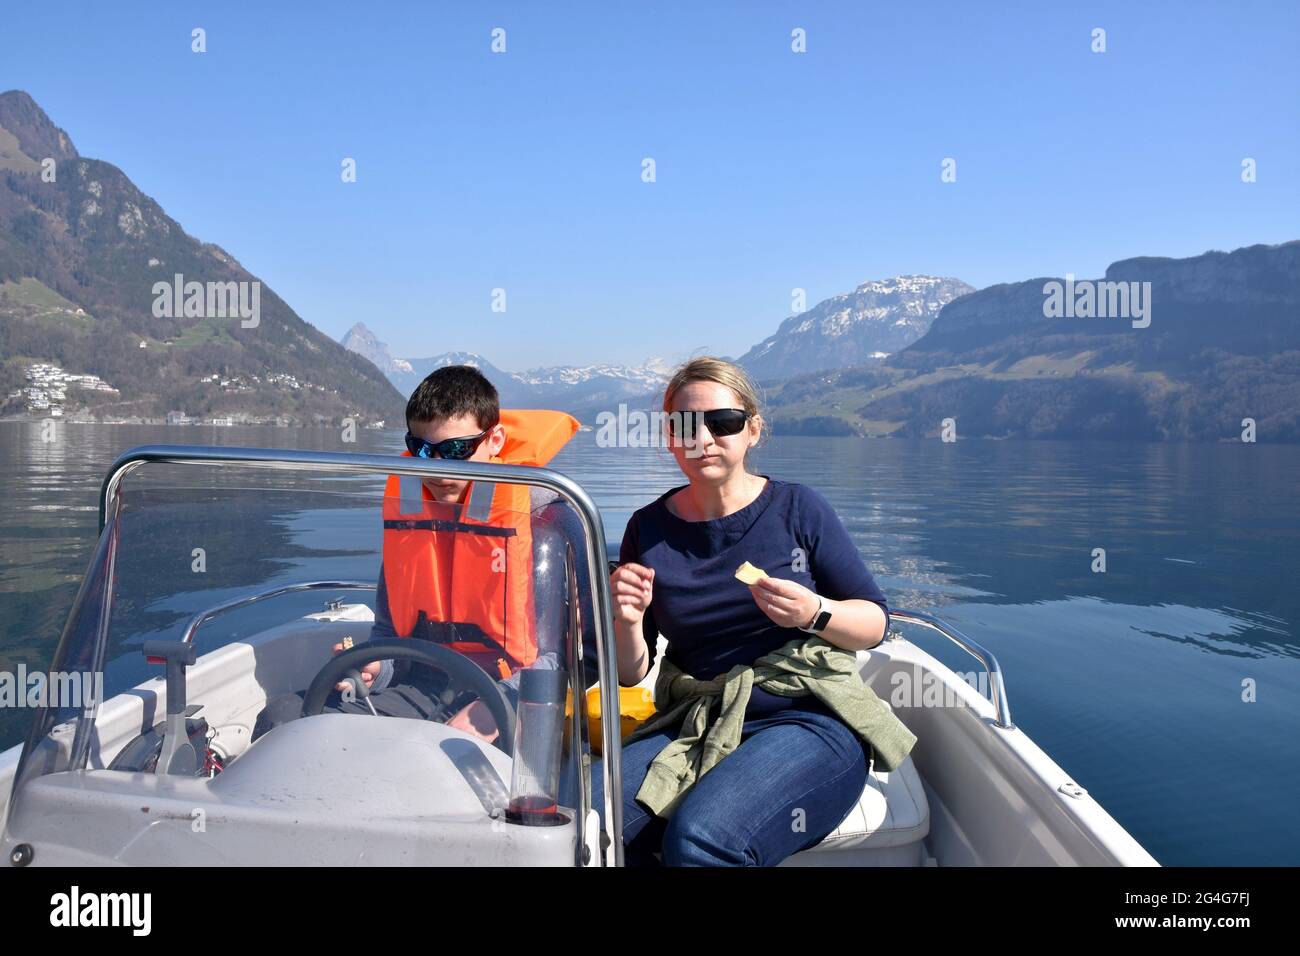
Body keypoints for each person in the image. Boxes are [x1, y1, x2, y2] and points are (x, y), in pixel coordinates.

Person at [592, 356, 914, 866]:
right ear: (669, 436)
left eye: (723, 423)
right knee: (585, 823)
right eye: (684, 425)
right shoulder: (647, 528)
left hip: (805, 720)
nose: (704, 438)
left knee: (700, 840)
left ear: (753, 431)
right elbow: (631, 672)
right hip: (695, 722)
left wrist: (815, 613)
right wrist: (627, 619)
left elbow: (875, 624)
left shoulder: (797, 509)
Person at [253, 365, 598, 744]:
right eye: (422, 450)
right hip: (421, 693)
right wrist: (376, 668)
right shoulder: (411, 515)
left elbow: (580, 659)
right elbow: (390, 636)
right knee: (282, 719)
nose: (436, 468)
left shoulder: (550, 519)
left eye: (455, 450)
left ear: (495, 440)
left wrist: (497, 706)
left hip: (514, 705)